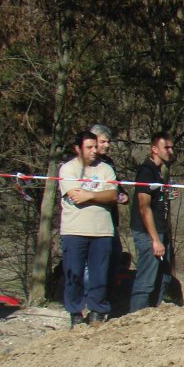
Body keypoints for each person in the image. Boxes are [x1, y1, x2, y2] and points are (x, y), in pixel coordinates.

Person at [59, 131, 118, 328]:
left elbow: (113, 195)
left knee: (100, 274)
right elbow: (76, 196)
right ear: (78, 149)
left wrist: (90, 195)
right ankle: (75, 313)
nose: (94, 150)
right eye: (89, 147)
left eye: (95, 146)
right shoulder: (68, 169)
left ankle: (97, 311)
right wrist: (99, 194)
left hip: (102, 231)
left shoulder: (106, 169)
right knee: (73, 273)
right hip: (74, 230)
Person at [130, 131, 176, 311]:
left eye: (172, 147)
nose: (170, 151)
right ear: (155, 149)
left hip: (161, 231)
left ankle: (153, 316)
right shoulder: (146, 171)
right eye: (166, 147)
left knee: (163, 278)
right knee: (146, 281)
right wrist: (155, 239)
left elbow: (156, 200)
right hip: (148, 233)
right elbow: (144, 207)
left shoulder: (158, 172)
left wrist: (166, 195)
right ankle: (136, 318)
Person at [90, 124, 129, 305]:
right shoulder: (80, 164)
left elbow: (115, 186)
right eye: (103, 142)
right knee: (92, 264)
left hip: (110, 220)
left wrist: (122, 195)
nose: (107, 145)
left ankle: (105, 301)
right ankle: (90, 302)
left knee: (113, 259)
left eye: (108, 142)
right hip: (89, 221)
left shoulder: (109, 163)